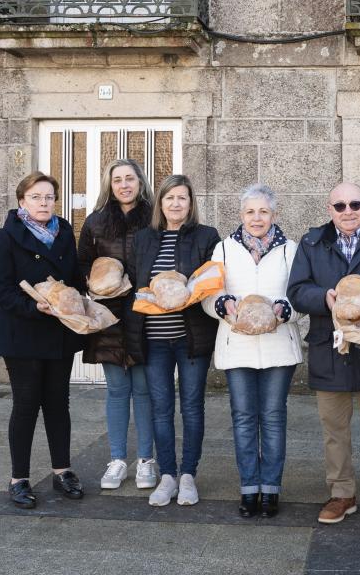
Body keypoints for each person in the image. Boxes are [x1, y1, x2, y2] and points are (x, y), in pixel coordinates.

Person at [287, 182, 360, 526]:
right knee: (334, 428)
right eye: (340, 206)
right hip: (329, 347)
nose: (348, 211)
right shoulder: (311, 243)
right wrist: (325, 298)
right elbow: (296, 290)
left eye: (354, 204)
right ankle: (341, 493)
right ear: (329, 209)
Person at [203, 184, 303, 519]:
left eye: (263, 211)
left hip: (279, 347)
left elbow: (301, 293)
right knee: (244, 418)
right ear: (241, 215)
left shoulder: (291, 249)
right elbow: (208, 292)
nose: (256, 218)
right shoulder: (224, 249)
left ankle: (271, 488)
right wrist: (221, 304)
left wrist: (285, 308)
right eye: (250, 212)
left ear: (274, 214)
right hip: (237, 345)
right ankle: (249, 487)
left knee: (273, 418)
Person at [0, 171, 86, 508]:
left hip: (59, 333)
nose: (44, 203)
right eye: (36, 197)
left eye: (49, 197)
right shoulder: (7, 236)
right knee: (27, 405)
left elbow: (72, 278)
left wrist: (81, 296)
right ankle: (19, 479)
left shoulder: (63, 233)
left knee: (58, 404)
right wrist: (33, 306)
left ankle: (63, 472)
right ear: (22, 202)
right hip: (23, 335)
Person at [125, 174, 220, 507]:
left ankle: (189, 474)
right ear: (160, 203)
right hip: (154, 339)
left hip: (190, 337)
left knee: (192, 407)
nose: (176, 204)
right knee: (160, 409)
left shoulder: (207, 237)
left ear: (191, 203)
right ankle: (167, 475)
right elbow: (137, 284)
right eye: (170, 198)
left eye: (182, 198)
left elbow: (213, 281)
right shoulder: (143, 239)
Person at [77, 158, 158, 491]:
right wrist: (95, 285)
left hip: (143, 313)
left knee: (143, 390)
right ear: (109, 185)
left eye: (130, 179)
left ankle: (146, 461)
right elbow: (82, 264)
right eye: (117, 180)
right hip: (108, 316)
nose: (124, 185)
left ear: (140, 182)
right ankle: (116, 460)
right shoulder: (95, 222)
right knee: (116, 390)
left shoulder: (156, 218)